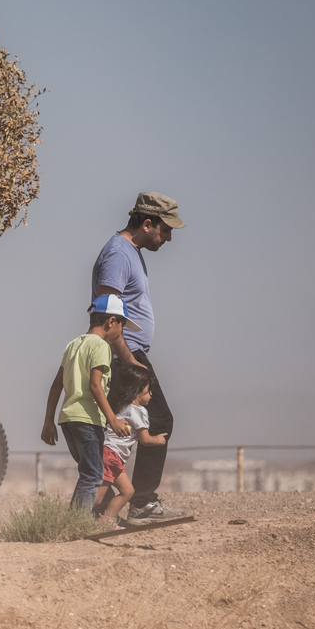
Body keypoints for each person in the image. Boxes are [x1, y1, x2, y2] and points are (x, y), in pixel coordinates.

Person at [91, 191, 187, 525]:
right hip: (125, 355)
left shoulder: (130, 252)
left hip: (130, 353)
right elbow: (106, 312)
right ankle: (140, 503)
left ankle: (103, 509)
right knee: (157, 421)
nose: (168, 238)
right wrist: (130, 361)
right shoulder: (119, 254)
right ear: (147, 224)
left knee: (121, 429)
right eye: (166, 230)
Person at [41, 294, 141, 511]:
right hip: (87, 420)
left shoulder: (73, 345)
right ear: (111, 322)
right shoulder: (101, 346)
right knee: (93, 474)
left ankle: (81, 518)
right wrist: (113, 420)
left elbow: (56, 385)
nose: (121, 333)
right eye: (122, 326)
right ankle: (77, 522)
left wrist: (48, 421)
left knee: (89, 472)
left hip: (68, 419)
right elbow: (95, 385)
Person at [93, 363, 167, 526]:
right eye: (148, 391)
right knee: (96, 499)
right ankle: (74, 519)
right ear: (137, 391)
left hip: (113, 457)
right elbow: (145, 439)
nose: (151, 395)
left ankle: (105, 522)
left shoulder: (123, 406)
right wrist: (158, 440)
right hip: (111, 456)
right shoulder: (139, 411)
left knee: (128, 491)